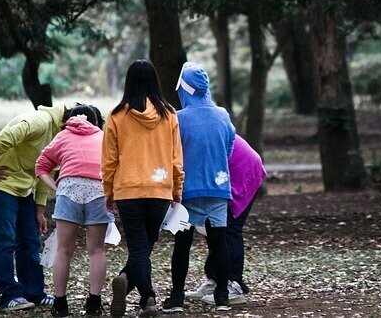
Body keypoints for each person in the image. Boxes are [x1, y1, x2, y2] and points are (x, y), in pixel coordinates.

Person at [102, 60, 184, 318]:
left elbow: (109, 160)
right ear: (155, 81)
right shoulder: (169, 114)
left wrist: (108, 191)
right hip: (159, 189)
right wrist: (177, 188)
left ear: (128, 82)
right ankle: (147, 297)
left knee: (139, 247)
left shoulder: (116, 116)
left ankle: (129, 281)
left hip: (128, 190)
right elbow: (175, 157)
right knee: (144, 246)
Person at [162, 62, 236, 314]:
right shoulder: (223, 115)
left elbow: (172, 154)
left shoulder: (177, 118)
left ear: (183, 88)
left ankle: (177, 298)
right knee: (219, 244)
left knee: (182, 245)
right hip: (218, 188)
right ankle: (222, 296)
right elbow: (229, 148)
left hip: (188, 190)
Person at [0, 103, 66, 311]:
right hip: (0, 182)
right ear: (66, 122)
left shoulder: (61, 138)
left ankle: (33, 292)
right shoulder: (39, 121)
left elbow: (47, 170)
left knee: (30, 240)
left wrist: (39, 209)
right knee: (4, 240)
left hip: (24, 187)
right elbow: (2, 138)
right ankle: (9, 296)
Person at [35, 104, 113, 317]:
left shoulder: (61, 137)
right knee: (97, 250)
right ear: (95, 121)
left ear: (69, 119)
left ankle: (60, 303)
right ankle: (94, 303)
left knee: (63, 250)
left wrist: (56, 186)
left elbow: (41, 166)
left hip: (69, 189)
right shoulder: (104, 137)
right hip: (99, 189)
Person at [186, 134, 266, 305]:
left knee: (229, 229)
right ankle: (215, 279)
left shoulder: (185, 126)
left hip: (244, 171)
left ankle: (234, 284)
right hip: (227, 173)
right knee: (213, 227)